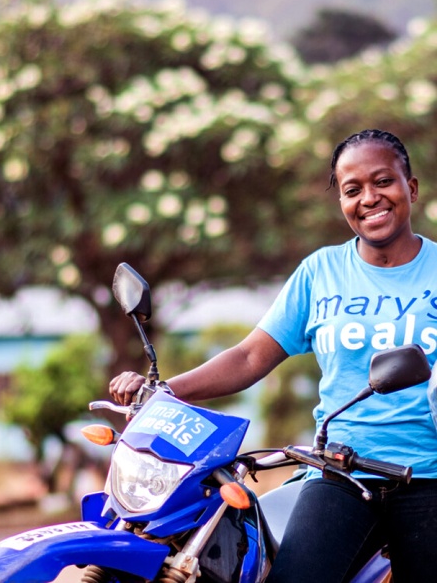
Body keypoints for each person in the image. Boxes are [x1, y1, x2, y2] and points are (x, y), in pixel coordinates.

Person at [109, 129, 437, 583]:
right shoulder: (320, 272)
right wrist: (162, 391)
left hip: (428, 475)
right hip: (342, 471)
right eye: (352, 189)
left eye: (383, 182)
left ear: (411, 188)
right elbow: (248, 358)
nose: (369, 198)